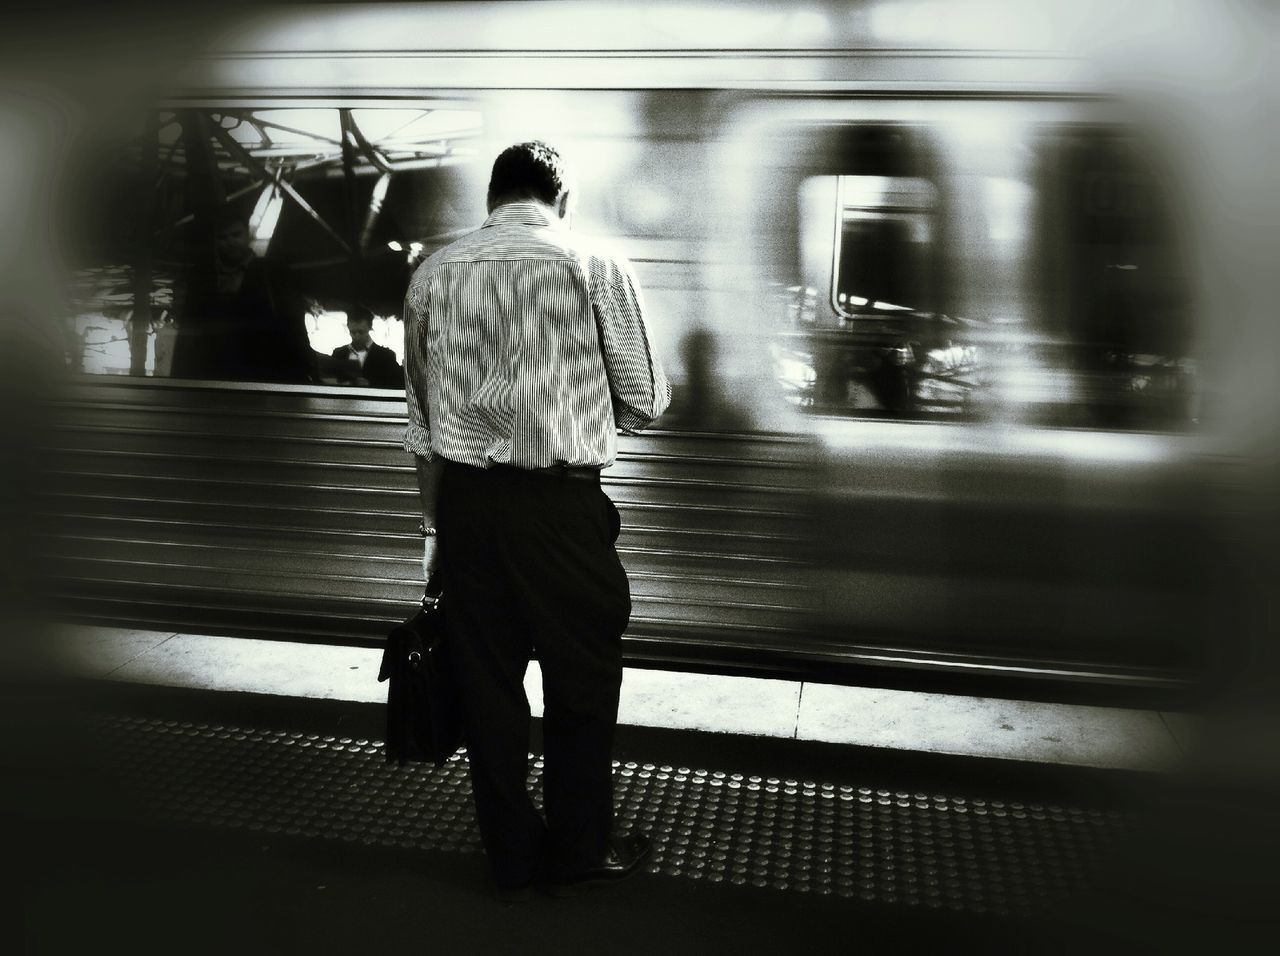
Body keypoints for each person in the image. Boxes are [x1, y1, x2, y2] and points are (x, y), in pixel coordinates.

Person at [402, 141, 671, 900]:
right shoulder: (594, 265)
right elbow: (646, 401)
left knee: (488, 687)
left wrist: (432, 537)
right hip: (560, 507)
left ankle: (512, 858)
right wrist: (577, 399)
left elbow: (421, 427)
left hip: (467, 512)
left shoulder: (431, 275)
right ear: (563, 196)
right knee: (580, 680)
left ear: (491, 200)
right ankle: (580, 848)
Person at [170, 207, 313, 383]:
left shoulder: (274, 274)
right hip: (220, 377)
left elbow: (294, 325)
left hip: (263, 375)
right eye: (222, 237)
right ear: (214, 241)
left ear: (247, 235)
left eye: (235, 235)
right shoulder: (201, 279)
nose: (230, 242)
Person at [329, 307, 404, 388]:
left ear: (370, 328)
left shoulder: (386, 356)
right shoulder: (338, 353)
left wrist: (371, 384)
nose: (357, 336)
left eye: (361, 332)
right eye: (353, 332)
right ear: (348, 328)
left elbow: (397, 384)